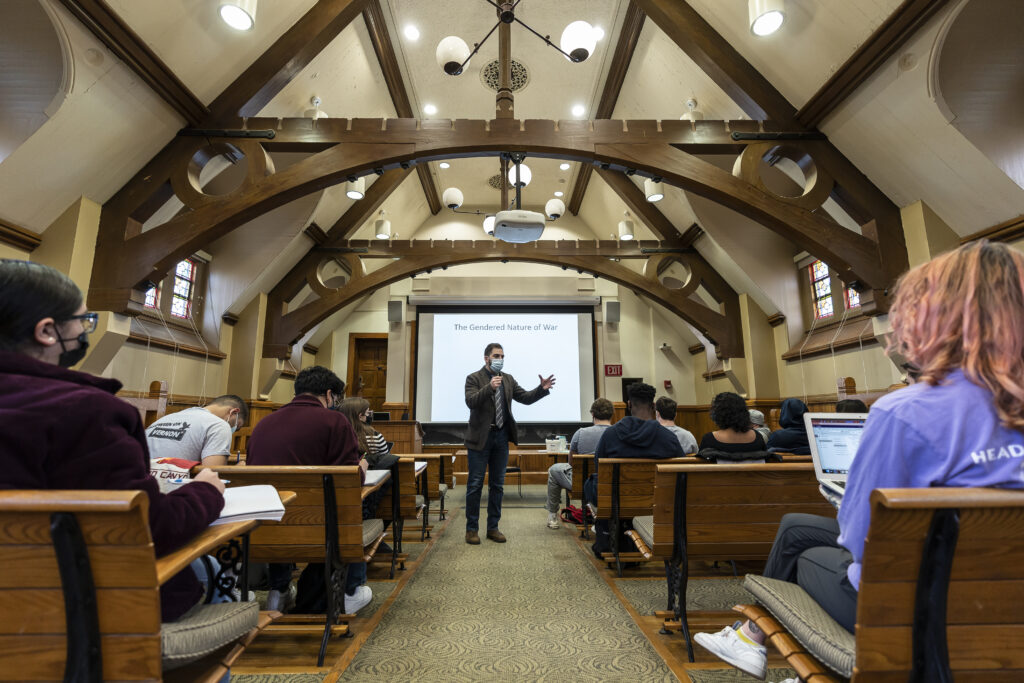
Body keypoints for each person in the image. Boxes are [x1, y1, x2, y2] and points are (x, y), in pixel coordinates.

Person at [695, 241, 1024, 680]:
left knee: (808, 552)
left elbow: (858, 537)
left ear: (932, 317)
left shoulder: (905, 412)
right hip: (1006, 608)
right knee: (798, 529)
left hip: (917, 611)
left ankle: (773, 647)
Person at [0, 260, 226, 623]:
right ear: (46, 331)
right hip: (72, 615)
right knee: (210, 573)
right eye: (84, 321)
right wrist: (206, 491)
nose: (86, 331)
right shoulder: (86, 412)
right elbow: (147, 529)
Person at [247, 366, 372, 615]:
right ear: (328, 394)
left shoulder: (264, 422)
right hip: (317, 526)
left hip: (266, 523)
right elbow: (348, 481)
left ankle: (279, 590)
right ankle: (349, 592)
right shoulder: (335, 421)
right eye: (336, 399)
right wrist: (363, 466)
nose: (335, 404)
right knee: (351, 510)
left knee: (285, 510)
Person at [464, 343, 555, 545]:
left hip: (501, 438)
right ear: (486, 358)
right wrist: (490, 387)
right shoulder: (473, 378)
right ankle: (471, 529)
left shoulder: (508, 379)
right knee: (475, 485)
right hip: (480, 439)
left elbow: (525, 398)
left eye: (503, 356)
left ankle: (493, 527)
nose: (500, 359)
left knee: (497, 485)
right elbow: (471, 401)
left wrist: (541, 389)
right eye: (496, 355)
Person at [583, 382, 684, 555]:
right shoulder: (669, 438)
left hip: (617, 502)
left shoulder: (610, 435)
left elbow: (599, 466)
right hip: (657, 502)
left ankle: (606, 534)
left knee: (591, 482)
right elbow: (681, 470)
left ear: (629, 405)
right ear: (653, 406)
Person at [544, 398, 614, 529]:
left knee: (554, 470)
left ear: (592, 414)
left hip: (582, 484)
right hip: (612, 484)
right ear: (612, 414)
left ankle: (552, 516)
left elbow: (572, 463)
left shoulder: (581, 433)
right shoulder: (618, 433)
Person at [146, 395, 248, 467]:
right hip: (175, 490)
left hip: (138, 486)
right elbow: (212, 475)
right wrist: (237, 469)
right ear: (234, 412)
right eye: (236, 426)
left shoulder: (166, 418)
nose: (233, 430)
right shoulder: (220, 426)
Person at [698, 392, 767, 460]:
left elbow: (700, 466)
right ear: (744, 412)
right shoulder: (757, 437)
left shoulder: (709, 439)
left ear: (717, 414)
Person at [337, 397, 391, 467]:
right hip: (370, 476)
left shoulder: (336, 435)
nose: (369, 416)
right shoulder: (375, 436)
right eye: (368, 413)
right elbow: (386, 461)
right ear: (360, 416)